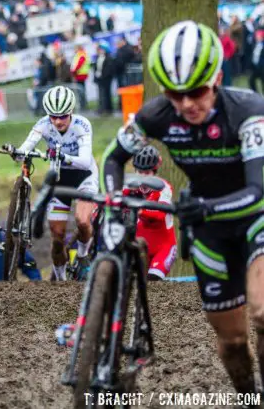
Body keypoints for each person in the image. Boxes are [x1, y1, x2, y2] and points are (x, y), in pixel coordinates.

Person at [102, 20, 264, 399]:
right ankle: (248, 397)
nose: (187, 103)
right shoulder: (157, 115)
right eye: (176, 94)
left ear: (218, 78)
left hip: (256, 217)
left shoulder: (249, 110)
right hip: (208, 232)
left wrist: (205, 208)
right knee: (234, 340)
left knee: (262, 313)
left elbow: (259, 190)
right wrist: (112, 204)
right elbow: (113, 158)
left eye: (197, 91)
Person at [17, 85, 97, 281]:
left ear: (70, 112)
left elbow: (85, 160)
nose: (58, 121)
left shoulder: (82, 125)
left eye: (62, 116)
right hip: (60, 180)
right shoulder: (43, 124)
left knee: (83, 221)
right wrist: (17, 152)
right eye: (53, 116)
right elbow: (27, 146)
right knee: (57, 237)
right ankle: (61, 281)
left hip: (83, 176)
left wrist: (63, 156)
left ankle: (83, 255)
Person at [124, 145, 177, 281]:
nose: (143, 177)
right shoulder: (130, 187)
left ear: (154, 171)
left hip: (163, 248)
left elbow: (160, 216)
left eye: (147, 173)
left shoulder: (164, 188)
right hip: (139, 247)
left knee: (153, 282)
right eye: (140, 172)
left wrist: (139, 209)